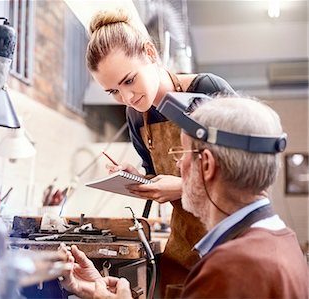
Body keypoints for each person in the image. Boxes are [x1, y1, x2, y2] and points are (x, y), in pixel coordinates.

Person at [59, 95, 308, 298]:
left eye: (183, 153)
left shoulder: (231, 268)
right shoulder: (283, 243)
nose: (178, 166)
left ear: (207, 165)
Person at [85, 8, 236, 297]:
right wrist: (138, 177)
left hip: (230, 241)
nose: (127, 97)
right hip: (185, 245)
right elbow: (156, 175)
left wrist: (181, 187)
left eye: (129, 80)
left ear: (151, 53)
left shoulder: (208, 90)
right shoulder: (135, 116)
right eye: (113, 91)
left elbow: (247, 177)